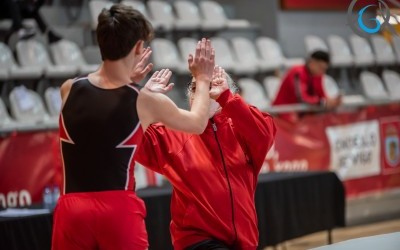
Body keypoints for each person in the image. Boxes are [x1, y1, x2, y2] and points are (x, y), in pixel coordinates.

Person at [52, 3, 215, 250]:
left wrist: (129, 82)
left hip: (71, 210)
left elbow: (101, 101)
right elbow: (198, 122)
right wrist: (202, 78)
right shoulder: (144, 100)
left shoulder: (68, 89)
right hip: (117, 211)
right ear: (139, 47)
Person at [136, 66, 276, 250]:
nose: (205, 93)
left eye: (211, 86)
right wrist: (142, 103)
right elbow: (128, 142)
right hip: (197, 240)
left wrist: (226, 97)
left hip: (245, 239)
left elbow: (264, 133)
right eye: (196, 88)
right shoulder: (171, 133)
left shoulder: (240, 129)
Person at [272, 50, 342, 123]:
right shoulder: (297, 72)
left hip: (299, 113)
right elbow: (302, 98)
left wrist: (332, 101)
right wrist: (323, 102)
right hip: (283, 112)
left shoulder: (317, 75)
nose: (323, 72)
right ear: (312, 63)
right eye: (320, 67)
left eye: (324, 69)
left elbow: (321, 95)